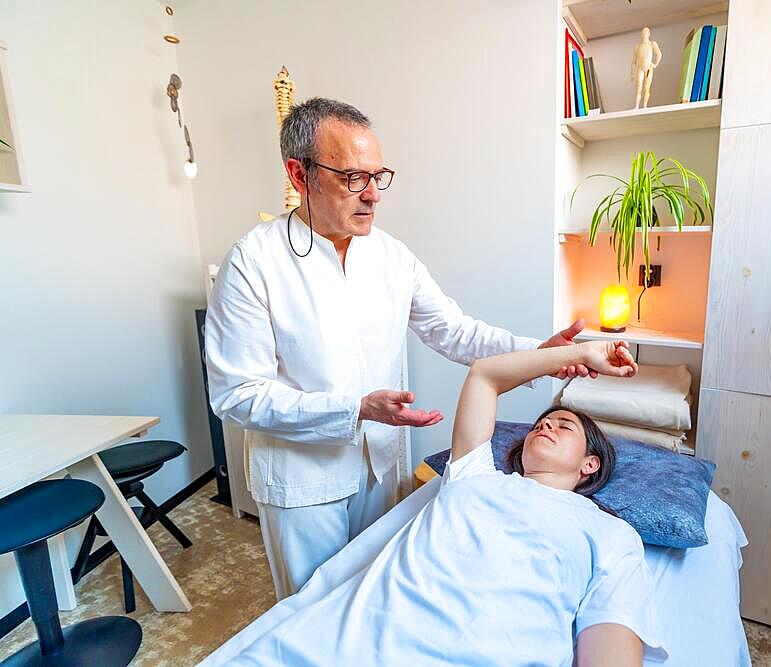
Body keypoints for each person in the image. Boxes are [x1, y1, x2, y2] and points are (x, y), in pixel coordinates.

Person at [205, 97, 594, 600]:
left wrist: (542, 351)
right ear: (300, 176)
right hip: (304, 481)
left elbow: (453, 330)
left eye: (378, 175)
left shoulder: (390, 256)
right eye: (353, 178)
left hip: (380, 465)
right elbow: (237, 395)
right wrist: (355, 409)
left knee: (375, 596)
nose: (372, 195)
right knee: (312, 611)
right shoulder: (252, 262)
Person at [215, 340, 666, 666]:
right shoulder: (475, 476)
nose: (543, 428)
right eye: (539, 425)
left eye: (563, 426)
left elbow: (610, 637)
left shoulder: (609, 532)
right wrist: (577, 354)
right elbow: (485, 375)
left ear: (590, 464)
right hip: (353, 642)